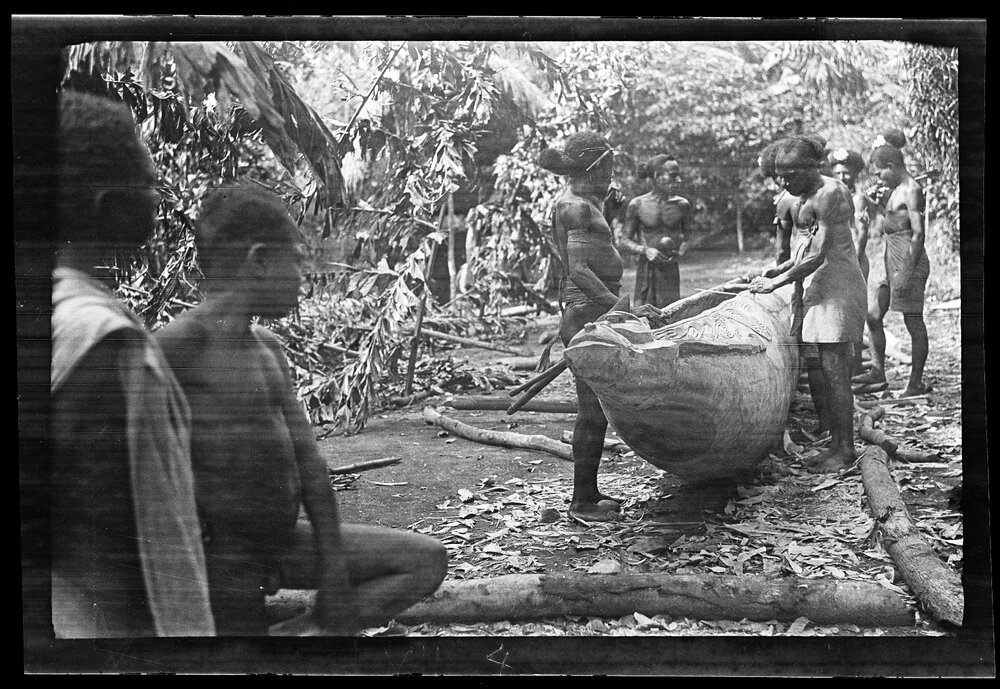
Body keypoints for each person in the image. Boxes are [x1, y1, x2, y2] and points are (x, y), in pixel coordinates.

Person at [156, 186, 448, 635]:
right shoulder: (178, 346)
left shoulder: (268, 350)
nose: (302, 275)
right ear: (258, 260)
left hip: (284, 543)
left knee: (424, 561)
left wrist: (333, 569)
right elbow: (138, 466)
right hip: (223, 559)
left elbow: (310, 463)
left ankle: (302, 634)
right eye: (294, 259)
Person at [50, 91, 215, 637]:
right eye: (148, 183)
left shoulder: (54, 312)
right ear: (105, 203)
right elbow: (130, 538)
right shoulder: (103, 343)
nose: (158, 197)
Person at [539, 132, 659, 521]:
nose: (611, 177)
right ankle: (583, 501)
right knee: (591, 413)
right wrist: (624, 308)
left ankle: (588, 493)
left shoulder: (585, 203)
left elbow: (594, 246)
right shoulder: (574, 207)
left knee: (595, 411)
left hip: (592, 310)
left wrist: (608, 207)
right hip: (585, 313)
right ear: (593, 168)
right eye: (607, 169)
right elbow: (579, 270)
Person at [748, 136, 867, 473]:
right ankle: (836, 444)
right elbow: (804, 248)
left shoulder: (831, 193)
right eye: (780, 176)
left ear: (813, 167)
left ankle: (845, 449)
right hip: (818, 289)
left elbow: (818, 255)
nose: (784, 183)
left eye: (790, 175)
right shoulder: (802, 197)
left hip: (838, 291)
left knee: (836, 373)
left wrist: (775, 283)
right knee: (827, 373)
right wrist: (780, 268)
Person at [850, 130, 931, 397]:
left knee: (913, 321)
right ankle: (877, 370)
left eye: (878, 172)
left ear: (892, 166)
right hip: (891, 263)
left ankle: (915, 382)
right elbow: (894, 221)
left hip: (909, 262)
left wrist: (907, 274)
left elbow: (918, 234)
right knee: (873, 315)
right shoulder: (897, 190)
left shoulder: (912, 190)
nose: (877, 177)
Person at [618, 155, 691, 308]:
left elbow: (687, 238)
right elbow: (624, 241)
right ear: (658, 176)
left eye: (679, 175)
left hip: (670, 272)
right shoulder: (637, 205)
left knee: (671, 315)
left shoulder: (682, 205)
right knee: (645, 317)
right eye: (673, 175)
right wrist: (646, 251)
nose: (678, 180)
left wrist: (681, 252)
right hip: (646, 271)